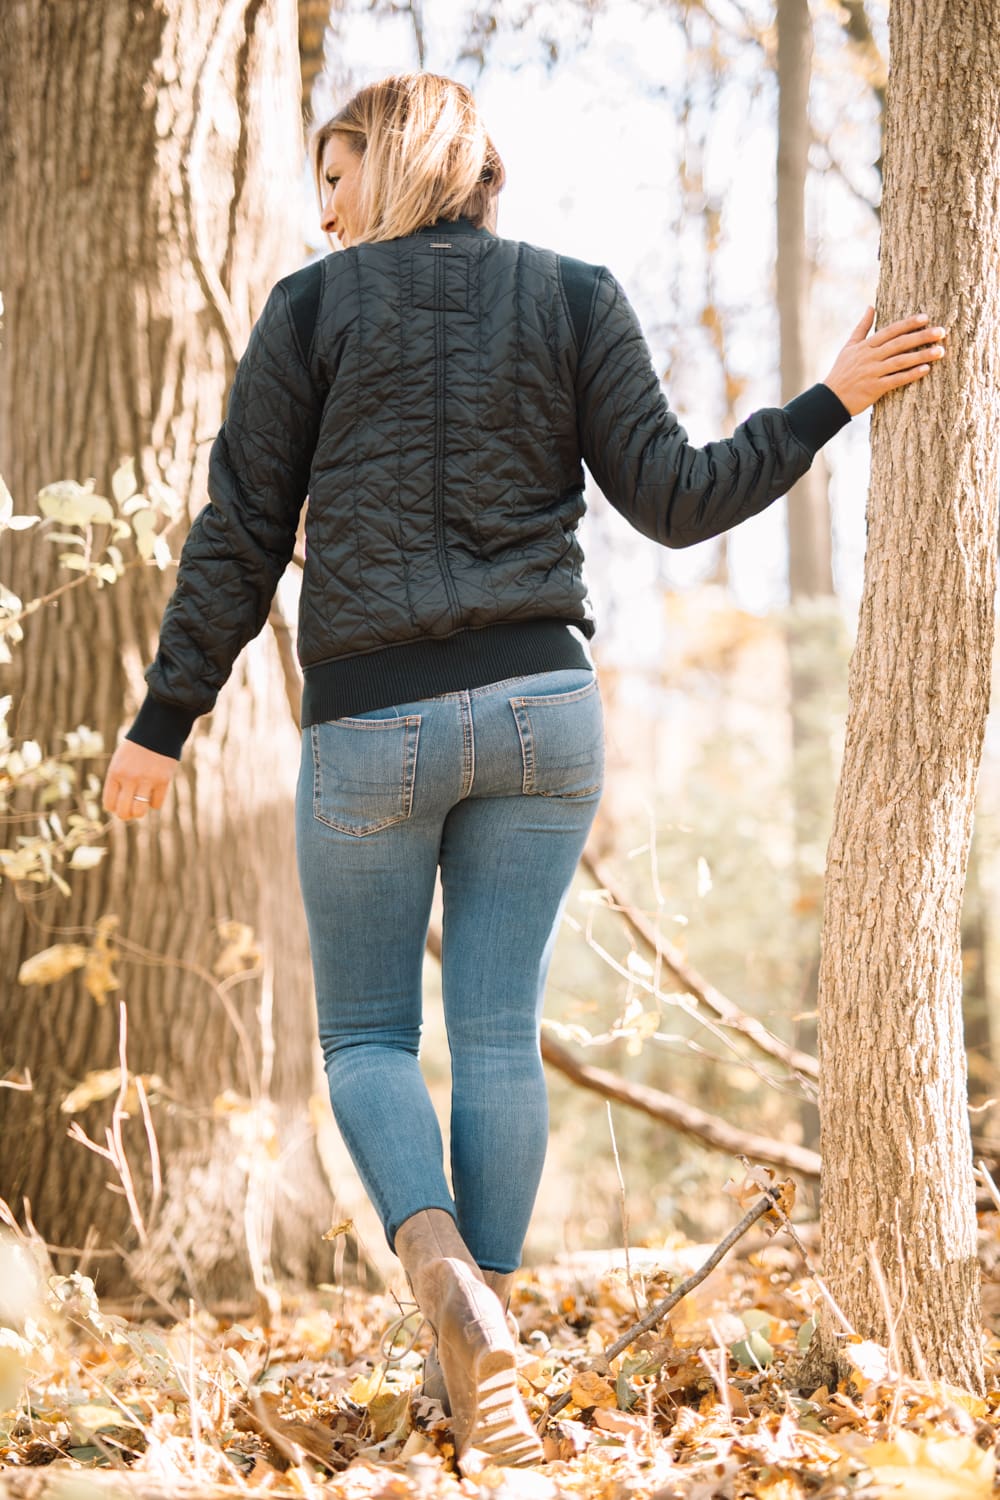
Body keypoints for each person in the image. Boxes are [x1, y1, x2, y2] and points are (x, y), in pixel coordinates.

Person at [101, 71, 946, 1470]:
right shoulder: (574, 295)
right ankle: (482, 1348)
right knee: (496, 1037)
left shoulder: (309, 311)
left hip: (374, 722)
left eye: (338, 178)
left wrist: (163, 720)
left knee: (366, 1041)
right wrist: (827, 403)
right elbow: (676, 498)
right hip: (547, 715)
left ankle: (447, 1284)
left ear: (403, 166)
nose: (326, 212)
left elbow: (238, 533)